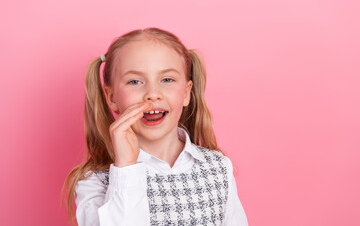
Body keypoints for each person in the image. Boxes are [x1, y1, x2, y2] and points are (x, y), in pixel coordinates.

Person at [62, 27, 248, 226]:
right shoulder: (94, 182)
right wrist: (126, 168)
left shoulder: (217, 167)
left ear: (186, 93)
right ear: (112, 97)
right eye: (135, 81)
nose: (153, 93)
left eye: (167, 79)